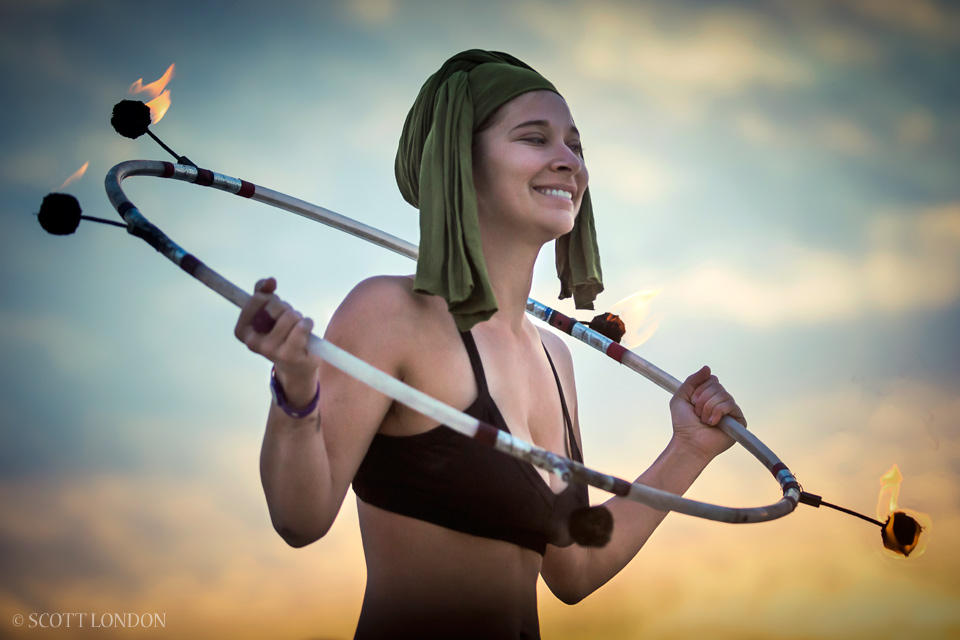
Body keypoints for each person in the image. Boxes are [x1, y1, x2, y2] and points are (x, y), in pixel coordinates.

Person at [234, 50, 746, 640]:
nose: (568, 162)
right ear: (460, 161)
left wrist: (688, 450)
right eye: (535, 139)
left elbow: (574, 568)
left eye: (574, 146)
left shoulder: (556, 358)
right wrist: (295, 389)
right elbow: (301, 518)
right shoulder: (391, 313)